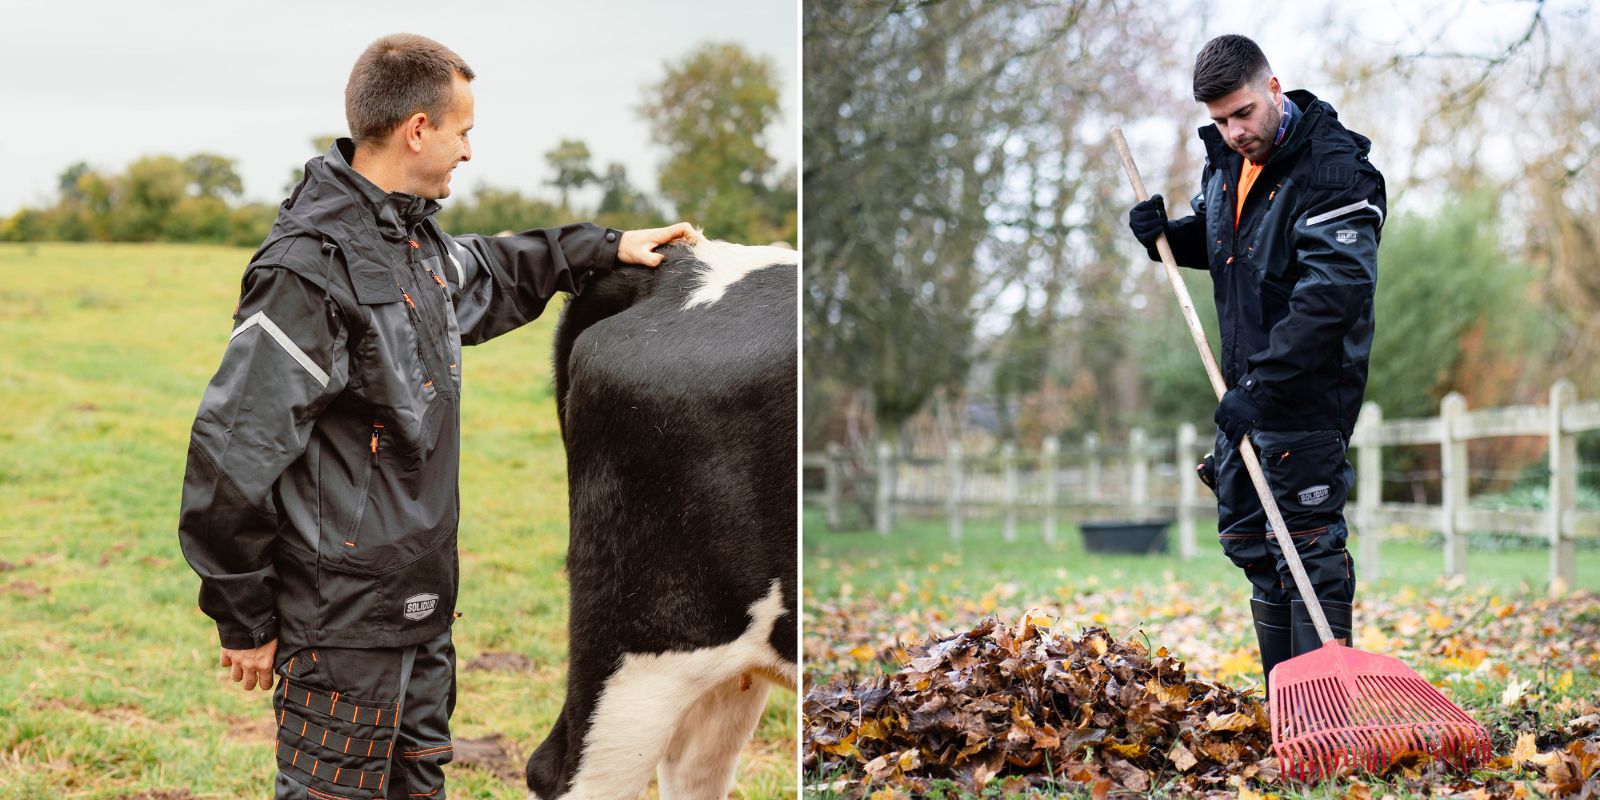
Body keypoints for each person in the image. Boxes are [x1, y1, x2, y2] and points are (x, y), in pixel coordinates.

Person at [178, 33, 693, 798]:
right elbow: (232, 452)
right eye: (463, 132)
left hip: (420, 605)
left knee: (418, 786)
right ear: (418, 129)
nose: (468, 152)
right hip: (340, 619)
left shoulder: (410, 240)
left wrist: (605, 248)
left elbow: (492, 269)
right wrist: (244, 617)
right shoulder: (307, 269)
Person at [1126, 34, 1385, 692]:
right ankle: (1286, 710)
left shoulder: (1332, 170)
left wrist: (1261, 391)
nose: (1234, 131)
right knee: (1251, 543)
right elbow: (1229, 249)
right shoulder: (1224, 167)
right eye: (1218, 121)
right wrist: (1165, 238)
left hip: (1302, 397)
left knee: (1307, 548)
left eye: (1242, 113)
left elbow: (1331, 298)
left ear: (1274, 89)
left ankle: (1324, 717)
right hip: (1244, 395)